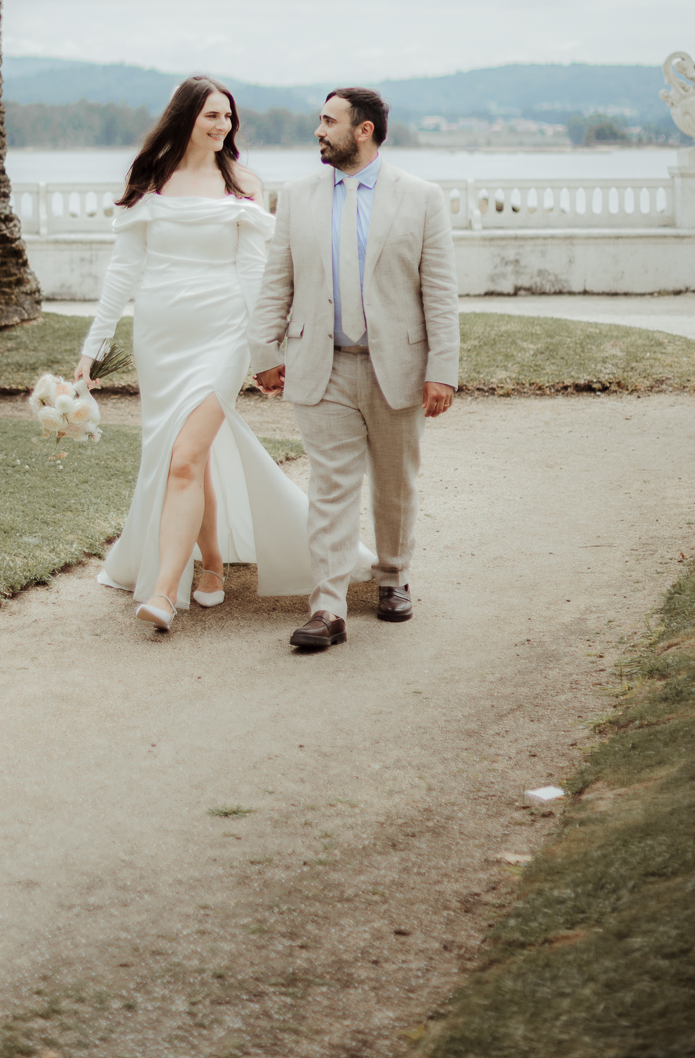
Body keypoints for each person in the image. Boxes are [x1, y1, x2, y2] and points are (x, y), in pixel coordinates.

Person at [74, 77, 370, 631]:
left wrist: (264, 349)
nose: (222, 126)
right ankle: (211, 562)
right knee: (190, 453)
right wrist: (93, 349)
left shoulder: (242, 184)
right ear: (185, 117)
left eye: (228, 118)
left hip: (222, 334)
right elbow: (124, 271)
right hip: (160, 336)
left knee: (184, 456)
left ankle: (163, 594)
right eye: (212, 116)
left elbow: (255, 273)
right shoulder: (150, 181)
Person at [250, 88, 459, 652]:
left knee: (395, 484)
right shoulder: (296, 197)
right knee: (330, 484)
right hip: (322, 365)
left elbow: (439, 293)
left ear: (362, 130)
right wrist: (264, 352)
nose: (318, 131)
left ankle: (392, 577)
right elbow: (278, 280)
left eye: (328, 121)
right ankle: (328, 606)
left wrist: (443, 370)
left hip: (399, 366)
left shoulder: (421, 198)